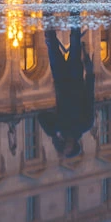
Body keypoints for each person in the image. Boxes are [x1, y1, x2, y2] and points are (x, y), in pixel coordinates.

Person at [36, 25, 95, 157]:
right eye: (65, 150)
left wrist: (55, 136)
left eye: (62, 149)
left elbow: (41, 117)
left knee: (52, 41)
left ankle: (47, 8)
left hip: (61, 80)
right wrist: (90, 73)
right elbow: (90, 96)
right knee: (74, 38)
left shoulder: (59, 129)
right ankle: (74, 6)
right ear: (73, 146)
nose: (63, 148)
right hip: (74, 79)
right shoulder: (85, 124)